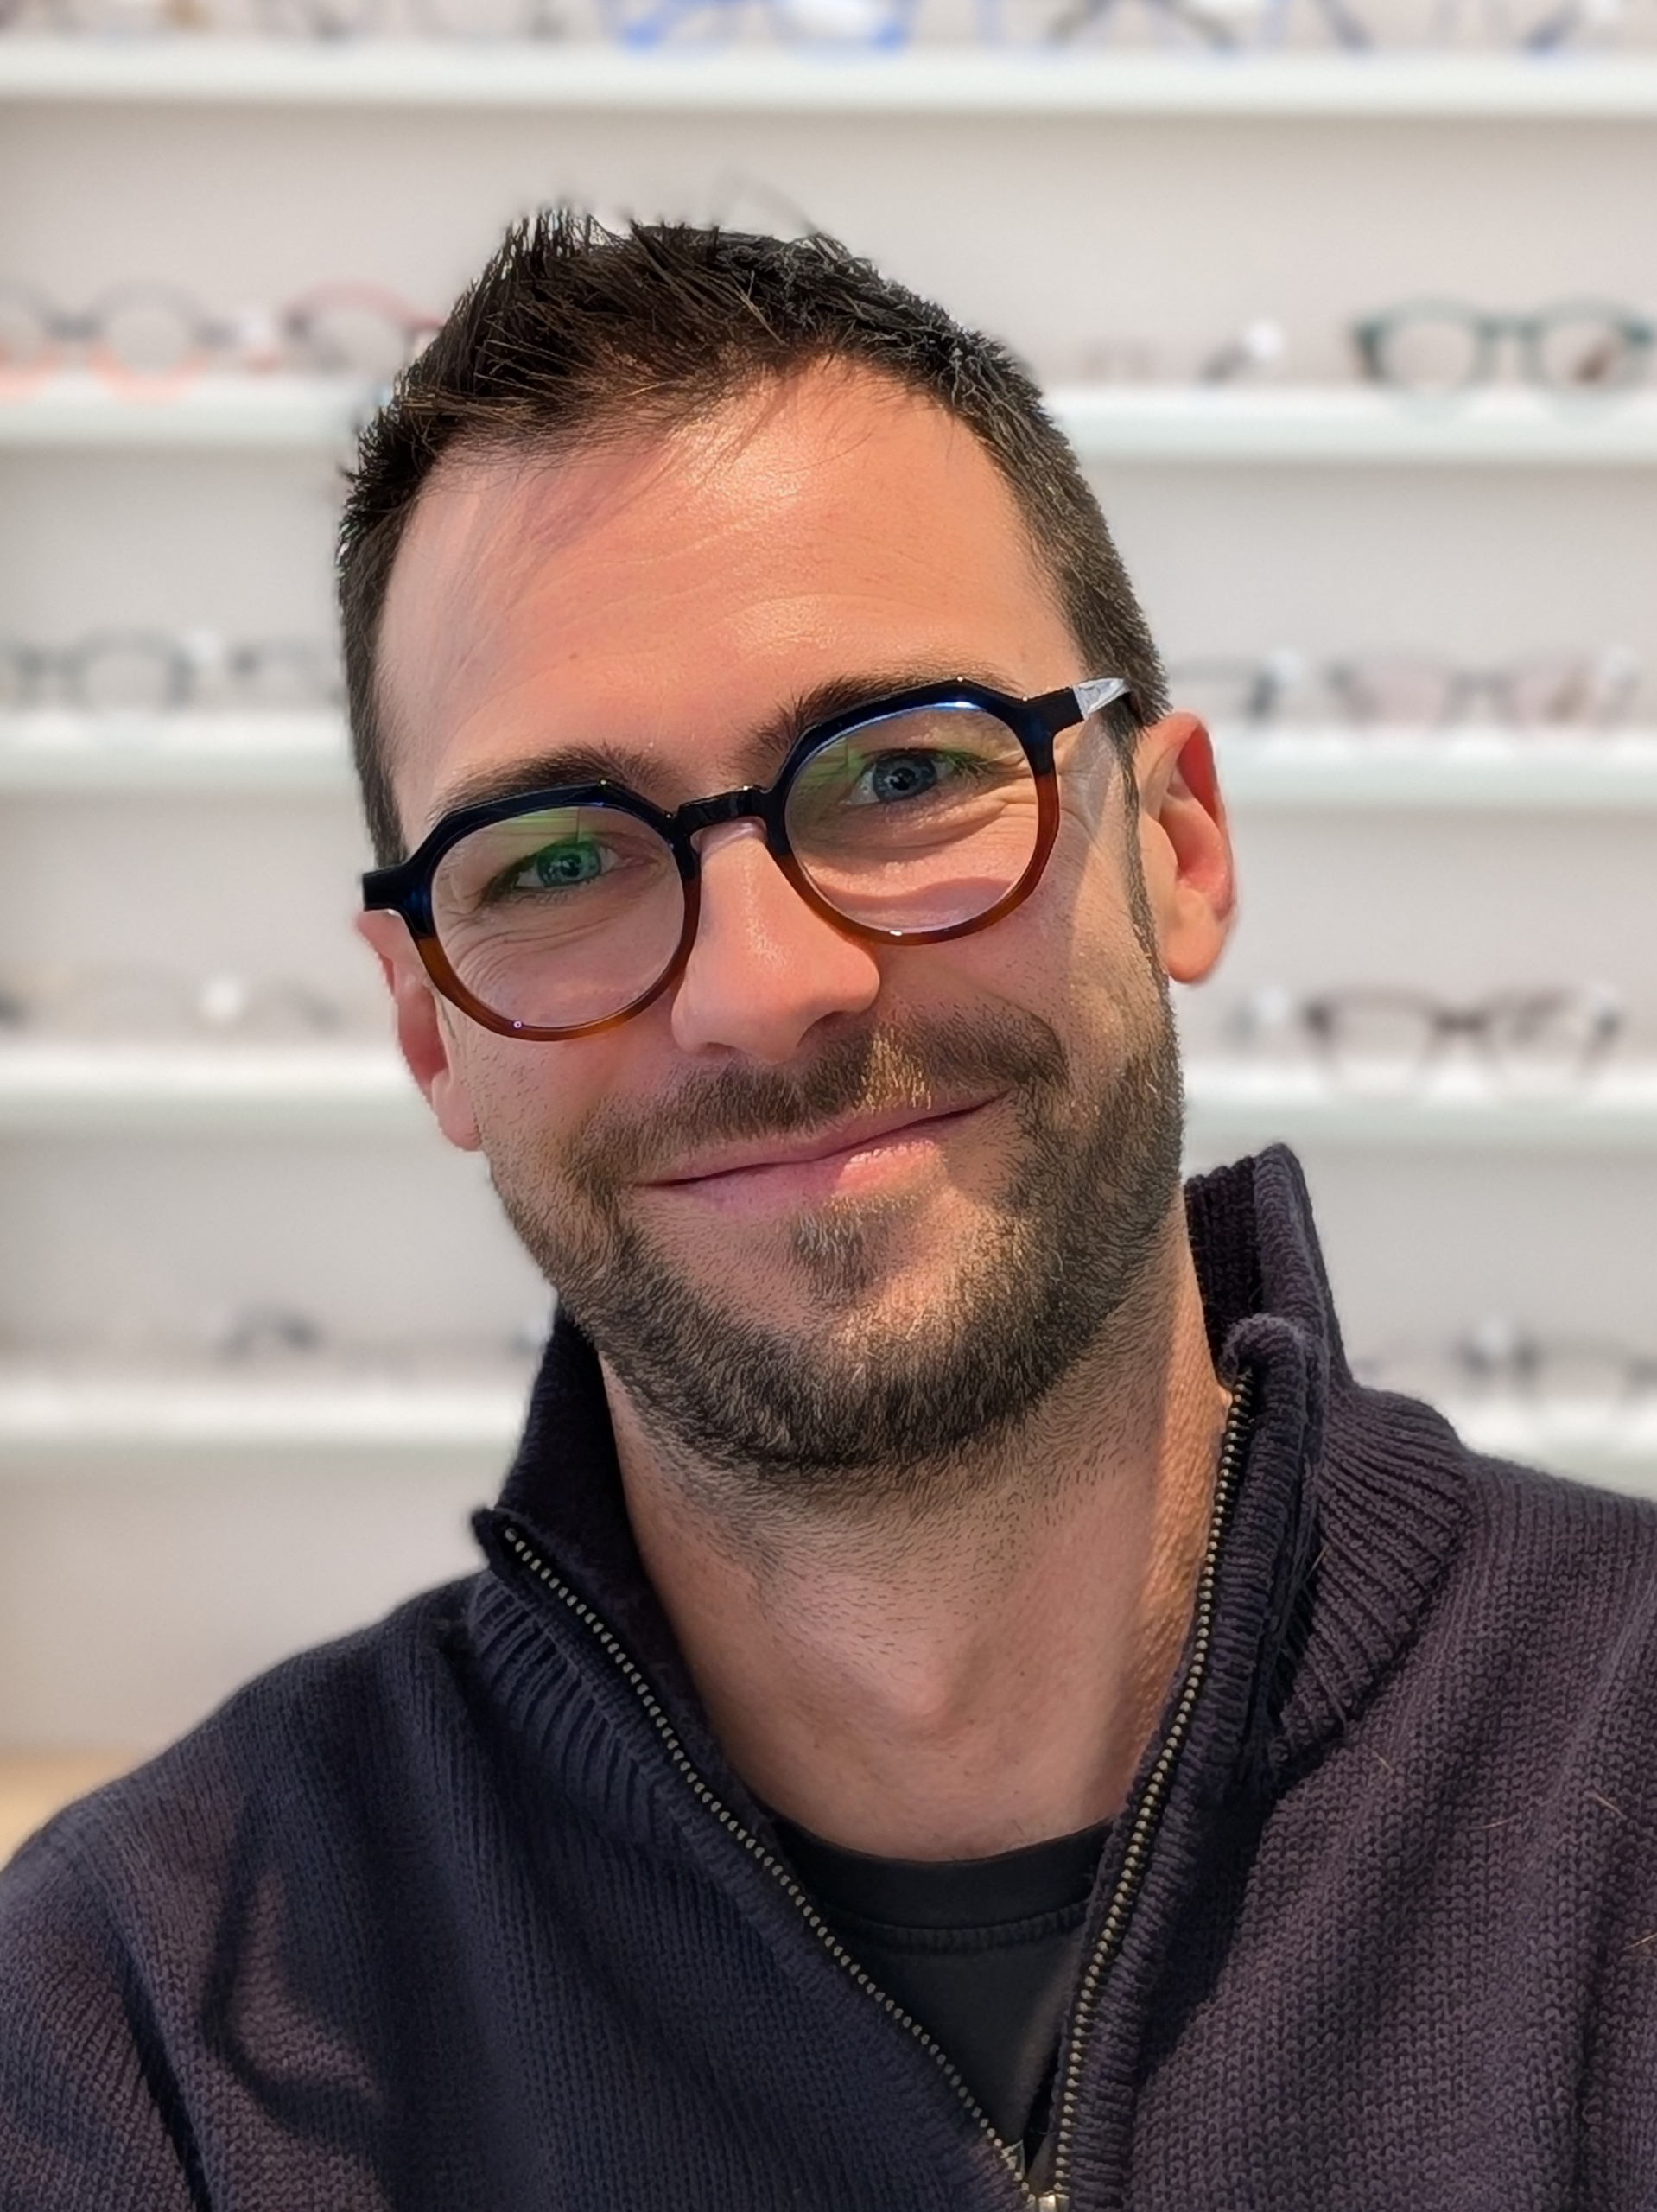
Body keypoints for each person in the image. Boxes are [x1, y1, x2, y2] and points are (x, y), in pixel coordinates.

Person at [3, 215, 1655, 2212]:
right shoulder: (145, 2030)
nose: (761, 985)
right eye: (553, 858)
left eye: (897, 771)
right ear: (430, 1027)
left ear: (1176, 842)